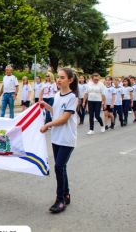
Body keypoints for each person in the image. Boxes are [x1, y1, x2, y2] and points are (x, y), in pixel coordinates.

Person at [40, 68, 78, 214]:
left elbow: (64, 118)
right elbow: (56, 113)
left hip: (67, 138)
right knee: (61, 167)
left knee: (59, 166)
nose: (58, 80)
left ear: (70, 80)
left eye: (62, 77)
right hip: (56, 137)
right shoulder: (56, 95)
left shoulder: (72, 97)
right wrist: (46, 106)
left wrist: (48, 125)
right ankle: (66, 194)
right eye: (58, 77)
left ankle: (60, 199)